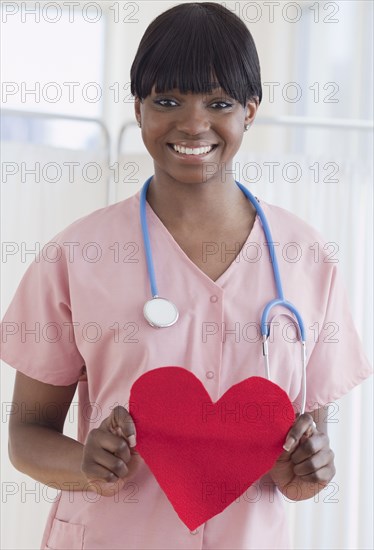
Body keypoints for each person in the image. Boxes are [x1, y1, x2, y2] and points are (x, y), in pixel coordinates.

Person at [1, 3, 372, 549]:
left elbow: (300, 449)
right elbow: (26, 437)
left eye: (219, 102)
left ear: (250, 110)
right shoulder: (75, 256)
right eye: (167, 100)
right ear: (138, 108)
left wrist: (309, 471)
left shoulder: (306, 258)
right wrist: (87, 463)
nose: (194, 124)